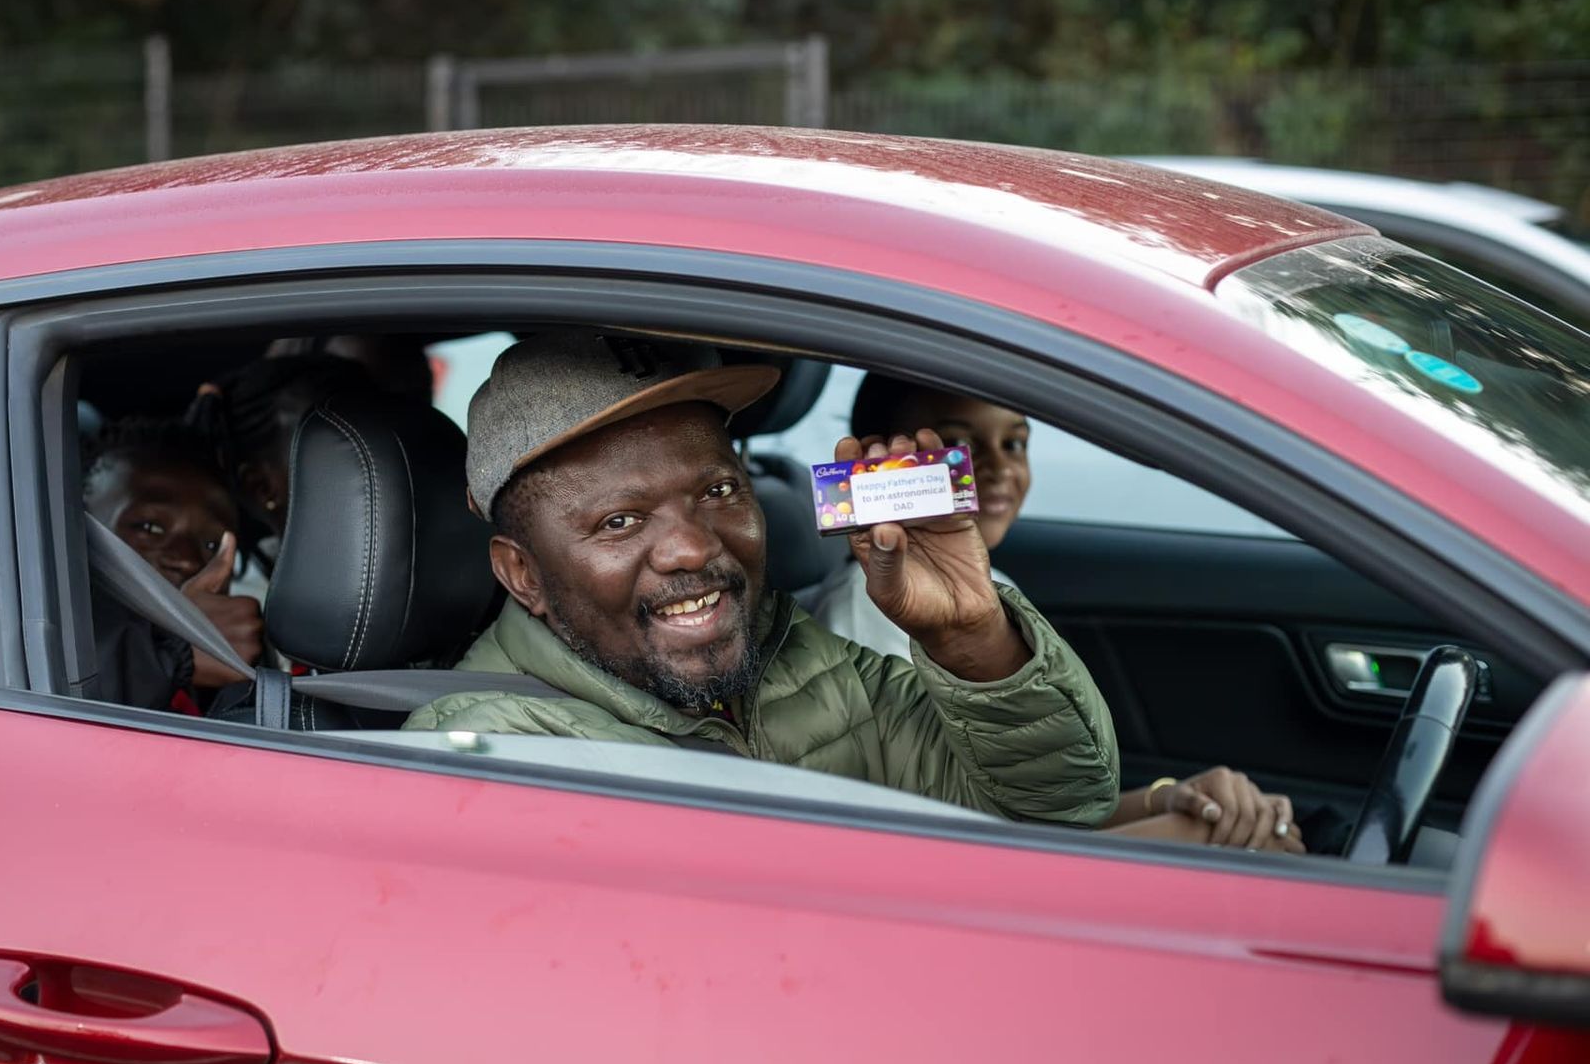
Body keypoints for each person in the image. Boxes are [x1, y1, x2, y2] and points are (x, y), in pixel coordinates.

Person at [403, 332, 1125, 828]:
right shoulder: (485, 761)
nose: (692, 548)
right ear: (522, 573)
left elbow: (1059, 812)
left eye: (718, 492)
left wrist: (973, 637)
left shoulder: (801, 658)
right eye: (621, 522)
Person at [812, 375, 1303, 852]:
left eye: (1015, 444)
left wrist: (1167, 799)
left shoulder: (993, 585)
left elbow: (1027, 800)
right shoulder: (869, 611)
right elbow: (937, 843)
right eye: (959, 445)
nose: (999, 466)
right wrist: (1189, 840)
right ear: (878, 470)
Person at [83, 418, 264, 708]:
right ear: (76, 536)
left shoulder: (242, 692)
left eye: (211, 545)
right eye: (149, 528)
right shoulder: (30, 641)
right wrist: (172, 654)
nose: (188, 561)